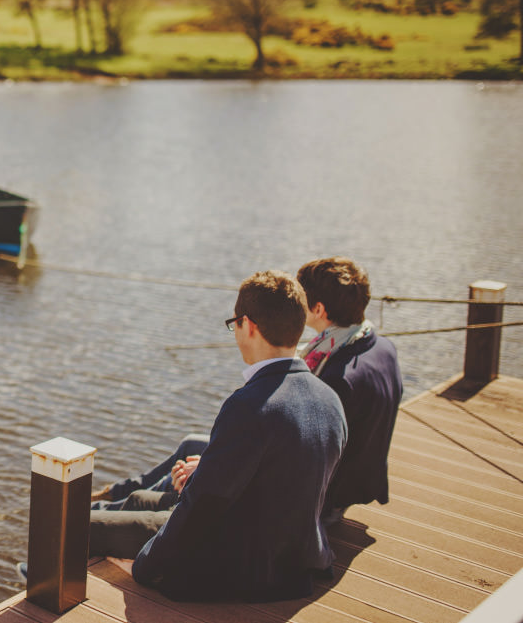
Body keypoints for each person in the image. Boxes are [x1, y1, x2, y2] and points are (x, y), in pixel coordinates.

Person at [92, 270, 348, 602]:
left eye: (235, 324)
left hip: (243, 565)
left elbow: (201, 508)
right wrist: (207, 471)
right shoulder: (329, 398)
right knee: (139, 501)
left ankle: (38, 584)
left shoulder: (250, 405)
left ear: (249, 325)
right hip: (296, 555)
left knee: (79, 526)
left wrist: (145, 565)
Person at [297, 257, 403, 524]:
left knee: (193, 450)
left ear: (318, 309)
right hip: (356, 482)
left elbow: (305, 457)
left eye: (298, 297)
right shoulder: (381, 346)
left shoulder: (337, 378)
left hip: (324, 502)